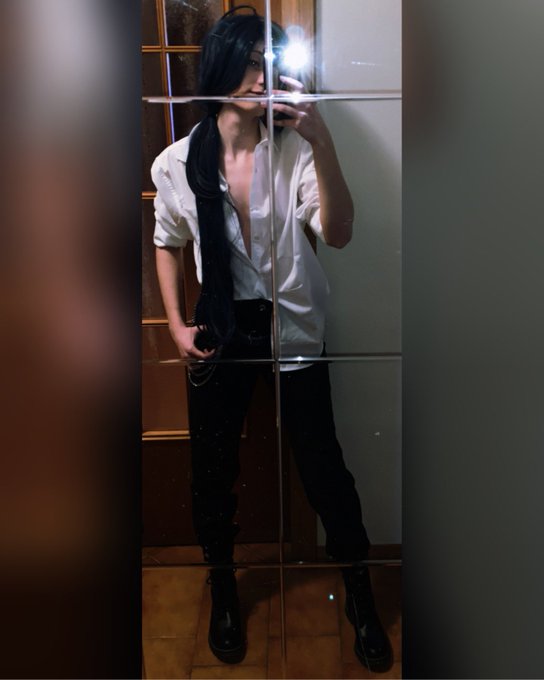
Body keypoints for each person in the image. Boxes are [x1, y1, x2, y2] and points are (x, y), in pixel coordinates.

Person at [152, 7, 392, 672]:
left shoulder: (293, 150)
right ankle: (224, 586)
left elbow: (338, 234)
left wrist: (322, 140)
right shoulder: (177, 163)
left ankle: (360, 591)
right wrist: (174, 323)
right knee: (212, 467)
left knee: (323, 467)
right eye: (250, 62)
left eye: (270, 63)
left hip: (294, 323)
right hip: (220, 326)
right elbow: (166, 242)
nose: (261, 77)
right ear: (220, 66)